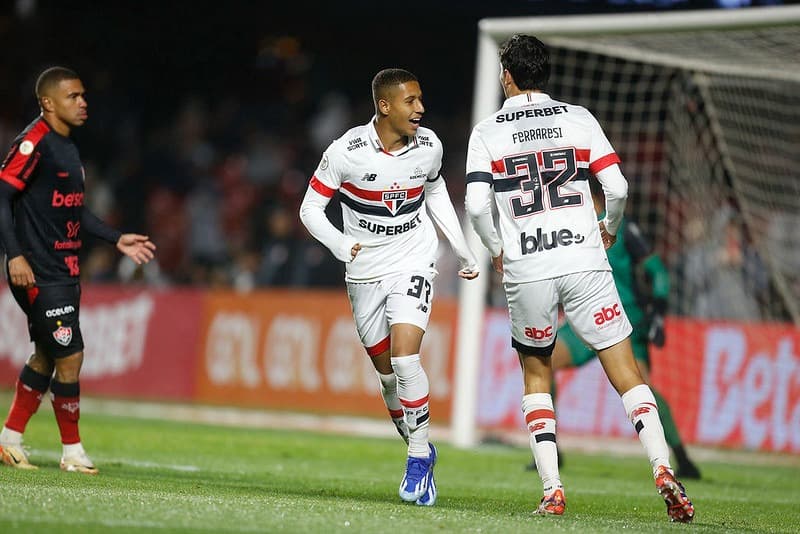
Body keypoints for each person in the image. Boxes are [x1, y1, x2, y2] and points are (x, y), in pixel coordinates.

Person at [464, 35, 694, 522]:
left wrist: (496, 248)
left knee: (537, 373)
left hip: (528, 265)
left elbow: (476, 205)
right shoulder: (579, 118)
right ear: (544, 74)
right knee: (628, 372)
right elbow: (617, 185)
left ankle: (552, 490)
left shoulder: (487, 131)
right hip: (585, 260)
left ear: (506, 75)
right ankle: (662, 469)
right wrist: (608, 227)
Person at [299, 68, 479, 507]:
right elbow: (309, 208)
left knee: (405, 356)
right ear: (385, 106)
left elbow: (434, 191)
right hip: (364, 269)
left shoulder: (430, 145)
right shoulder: (347, 152)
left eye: (421, 99)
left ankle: (419, 457)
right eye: (411, 100)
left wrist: (462, 247)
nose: (421, 108)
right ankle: (419, 445)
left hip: (414, 257)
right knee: (386, 377)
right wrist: (342, 244)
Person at [0, 66, 156, 474]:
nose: (83, 102)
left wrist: (115, 237)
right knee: (71, 355)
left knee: (47, 356)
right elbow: (2, 198)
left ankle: (10, 439)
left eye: (83, 95)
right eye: (73, 97)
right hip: (36, 269)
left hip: (64, 268)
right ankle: (73, 452)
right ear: (48, 103)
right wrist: (13, 254)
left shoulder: (67, 147)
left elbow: (74, 210)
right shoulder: (34, 143)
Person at [525, 176, 701, 479]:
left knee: (640, 387)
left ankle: (681, 458)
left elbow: (657, 272)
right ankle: (551, 449)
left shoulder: (622, 227)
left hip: (626, 319)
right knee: (544, 364)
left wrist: (657, 314)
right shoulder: (566, 229)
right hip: (584, 317)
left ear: (590, 195)